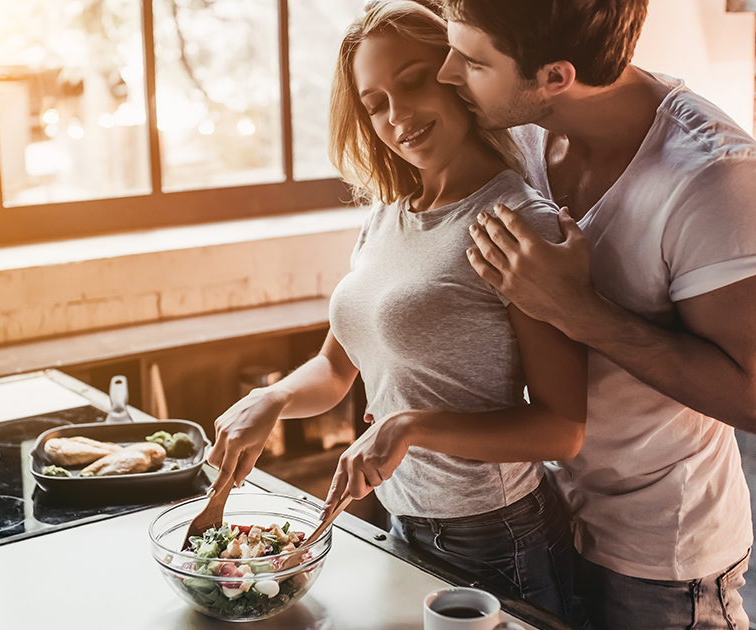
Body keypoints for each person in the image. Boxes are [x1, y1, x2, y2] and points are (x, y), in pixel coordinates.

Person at [204, 0, 589, 620]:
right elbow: (335, 369)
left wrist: (407, 425)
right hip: (405, 518)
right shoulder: (388, 213)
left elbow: (562, 429)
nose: (397, 116)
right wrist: (272, 399)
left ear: (458, 73)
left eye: (413, 82)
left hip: (496, 536)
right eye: (375, 102)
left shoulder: (515, 223)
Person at [435, 1, 756, 628]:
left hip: (663, 555)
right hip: (545, 519)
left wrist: (580, 312)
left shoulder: (719, 177)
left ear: (556, 77)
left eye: (472, 61)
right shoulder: (518, 129)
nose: (447, 72)